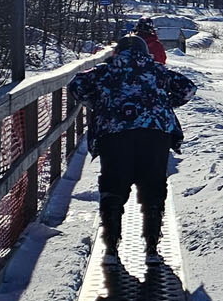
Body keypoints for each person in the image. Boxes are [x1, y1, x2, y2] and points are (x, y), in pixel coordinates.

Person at [69, 35, 196, 267]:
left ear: (117, 51)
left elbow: (76, 85)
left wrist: (98, 102)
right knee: (154, 187)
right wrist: (164, 104)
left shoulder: (107, 70)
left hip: (114, 134)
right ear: (144, 51)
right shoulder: (156, 70)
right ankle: (151, 248)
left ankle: (110, 248)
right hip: (154, 134)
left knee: (113, 187)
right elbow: (188, 89)